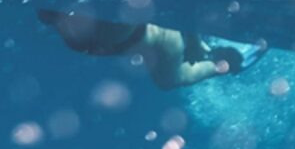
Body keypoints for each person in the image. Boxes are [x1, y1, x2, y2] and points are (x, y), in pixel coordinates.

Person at [37, 8, 265, 90]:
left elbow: (177, 12)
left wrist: (193, 38)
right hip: (158, 38)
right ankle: (212, 53)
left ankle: (224, 63)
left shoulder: (93, 33)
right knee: (169, 78)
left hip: (164, 42)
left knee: (170, 80)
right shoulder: (75, 37)